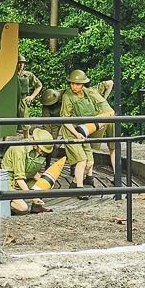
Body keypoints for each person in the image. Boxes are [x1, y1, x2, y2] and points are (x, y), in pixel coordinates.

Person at [59, 70, 115, 199]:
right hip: (71, 132)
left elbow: (106, 92)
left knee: (90, 162)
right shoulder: (67, 96)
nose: (74, 86)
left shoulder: (88, 93)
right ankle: (80, 189)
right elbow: (65, 119)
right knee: (81, 161)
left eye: (77, 84)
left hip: (83, 132)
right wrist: (76, 134)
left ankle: (74, 183)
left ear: (83, 84)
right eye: (72, 84)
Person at [0, 128, 54, 215]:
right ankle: (5, 202)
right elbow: (19, 178)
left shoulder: (35, 150)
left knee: (45, 183)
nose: (43, 153)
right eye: (42, 149)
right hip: (10, 180)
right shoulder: (19, 149)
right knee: (23, 208)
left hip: (25, 178)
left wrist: (46, 181)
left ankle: (36, 207)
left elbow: (30, 170)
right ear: (36, 143)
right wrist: (32, 197)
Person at [16, 54, 42, 138]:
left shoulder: (27, 75)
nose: (21, 65)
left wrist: (31, 96)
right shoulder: (11, 75)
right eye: (19, 62)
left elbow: (39, 85)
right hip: (11, 100)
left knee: (25, 123)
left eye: (22, 63)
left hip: (22, 100)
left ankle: (26, 141)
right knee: (8, 122)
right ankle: (5, 143)